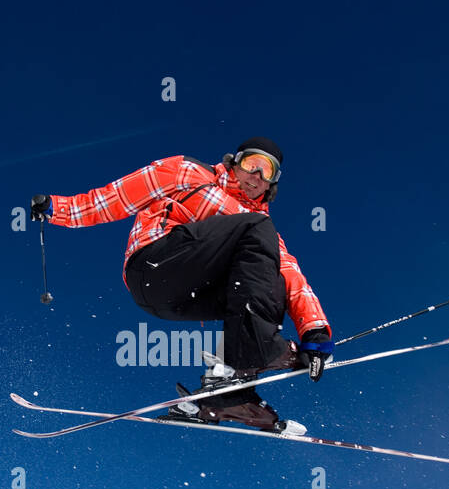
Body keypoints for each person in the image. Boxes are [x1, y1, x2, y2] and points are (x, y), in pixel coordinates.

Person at [30, 137, 332, 434]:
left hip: (181, 298)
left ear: (272, 184)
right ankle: (257, 351)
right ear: (234, 162)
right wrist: (57, 208)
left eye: (267, 172)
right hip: (154, 265)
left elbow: (291, 275)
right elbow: (114, 198)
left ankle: (229, 394)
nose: (256, 176)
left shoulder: (259, 229)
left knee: (271, 279)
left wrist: (314, 331)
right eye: (251, 164)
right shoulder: (188, 172)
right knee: (257, 230)